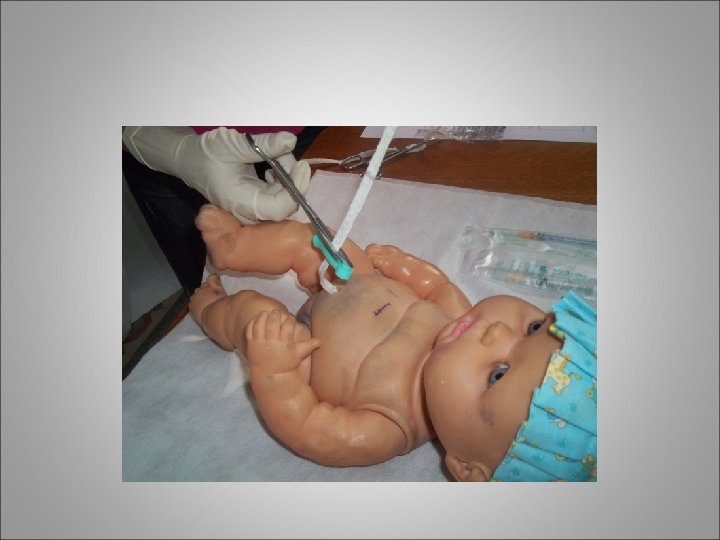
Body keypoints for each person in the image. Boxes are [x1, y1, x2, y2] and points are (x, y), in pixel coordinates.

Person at [188, 204, 597, 481]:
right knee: (318, 242)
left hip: (303, 349)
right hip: (354, 281)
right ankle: (235, 247)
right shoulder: (460, 324)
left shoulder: (389, 427)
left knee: (256, 316)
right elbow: (437, 288)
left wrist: (275, 371)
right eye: (533, 329)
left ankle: (210, 310)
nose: (496, 332)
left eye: (498, 375)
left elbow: (308, 429)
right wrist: (409, 270)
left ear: (465, 468)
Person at [122, 126, 325, 298]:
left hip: (294, 128)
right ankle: (228, 260)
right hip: (162, 146)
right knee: (208, 290)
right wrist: (170, 147)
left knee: (303, 241)